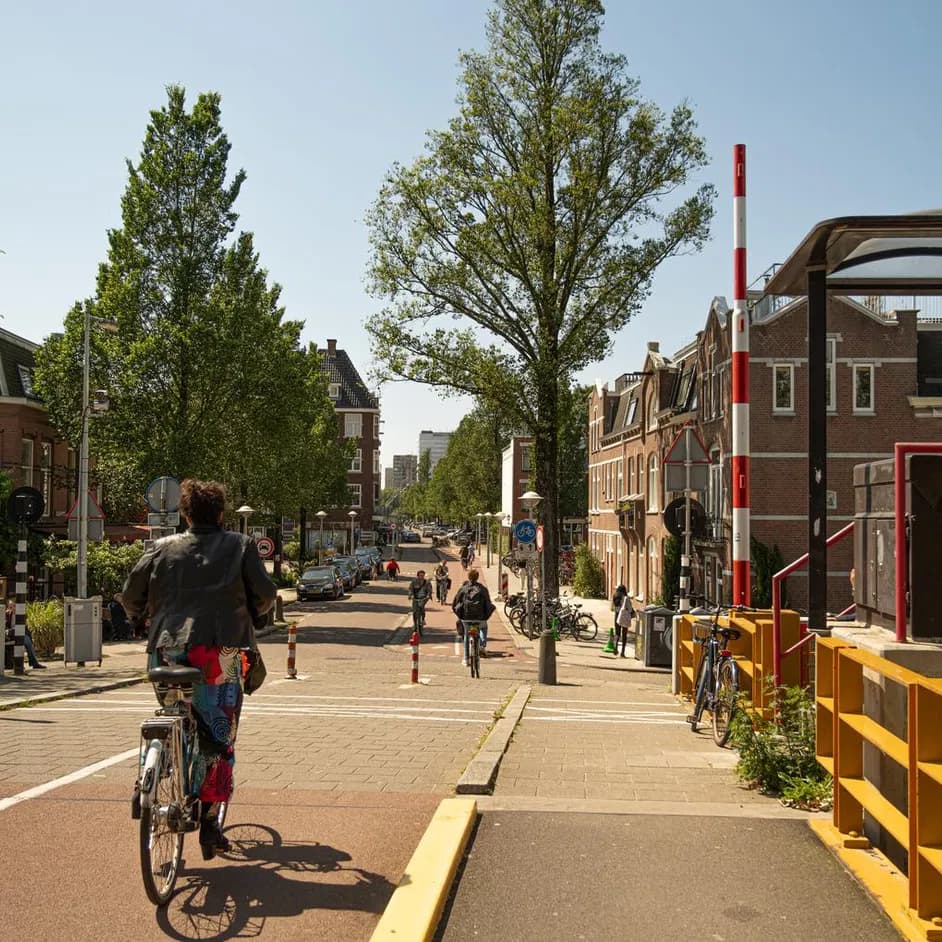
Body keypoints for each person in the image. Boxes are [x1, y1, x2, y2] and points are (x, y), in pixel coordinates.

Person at [122, 479, 276, 860]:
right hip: (219, 653)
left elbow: (129, 596)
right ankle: (209, 822)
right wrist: (254, 616)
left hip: (167, 650)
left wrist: (141, 619)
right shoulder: (239, 546)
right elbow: (267, 594)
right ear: (221, 514)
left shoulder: (161, 548)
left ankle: (156, 771)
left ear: (184, 514)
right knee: (219, 739)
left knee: (176, 709)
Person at [452, 568, 495, 665]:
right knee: (483, 627)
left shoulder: (463, 589)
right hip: (479, 618)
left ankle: (466, 659)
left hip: (466, 618)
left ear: (469, 577)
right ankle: (482, 646)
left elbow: (455, 603)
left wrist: (460, 615)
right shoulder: (482, 589)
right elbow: (488, 604)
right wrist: (486, 616)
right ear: (477, 577)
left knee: (467, 635)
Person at [5, 599, 46, 669]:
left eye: (14, 606)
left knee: (27, 641)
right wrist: (7, 630)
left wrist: (11, 631)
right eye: (11, 607)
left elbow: (22, 628)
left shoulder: (22, 614)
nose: (13, 608)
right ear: (8, 607)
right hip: (10, 635)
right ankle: (17, 665)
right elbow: (4, 626)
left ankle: (34, 663)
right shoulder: (7, 614)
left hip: (21, 633)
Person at [408, 569, 433, 634]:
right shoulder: (414, 582)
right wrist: (411, 595)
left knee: (421, 606)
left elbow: (429, 590)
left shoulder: (427, 582)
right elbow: (410, 589)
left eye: (423, 575)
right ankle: (415, 624)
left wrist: (428, 595)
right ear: (418, 576)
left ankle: (423, 619)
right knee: (414, 611)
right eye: (420, 575)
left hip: (423, 598)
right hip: (415, 598)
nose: (422, 577)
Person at [614, 584, 633, 658]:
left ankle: (615, 647)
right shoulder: (625, 598)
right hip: (624, 617)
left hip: (617, 616)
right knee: (624, 634)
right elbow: (630, 609)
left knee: (617, 633)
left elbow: (614, 607)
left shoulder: (615, 596)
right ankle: (622, 652)